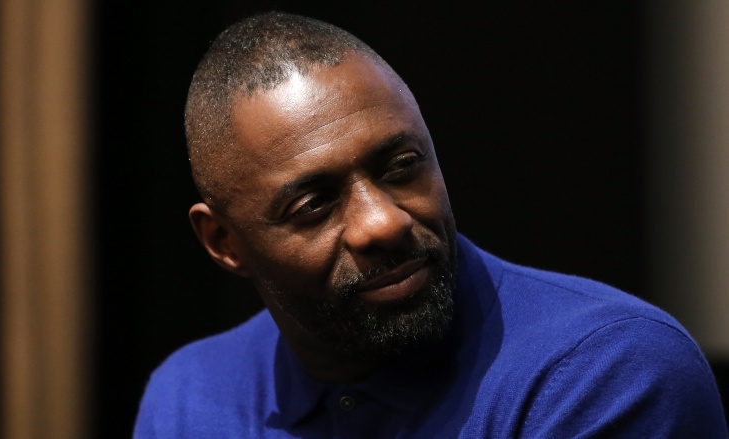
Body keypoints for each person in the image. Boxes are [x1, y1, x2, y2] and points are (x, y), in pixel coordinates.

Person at [134, 11, 727, 438]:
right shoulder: (187, 400)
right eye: (313, 204)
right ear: (224, 243)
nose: (381, 223)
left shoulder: (605, 372)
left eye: (401, 166)